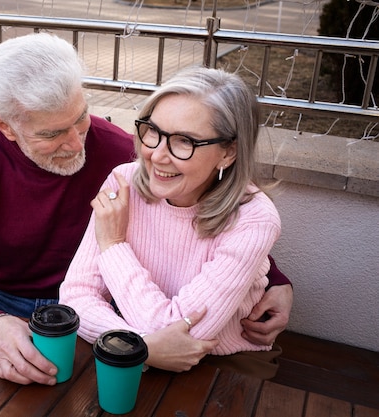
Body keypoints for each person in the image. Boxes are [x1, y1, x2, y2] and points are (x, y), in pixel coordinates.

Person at [0, 33, 293, 386]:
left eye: (80, 118)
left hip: (108, 307)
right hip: (4, 299)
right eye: (51, 133)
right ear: (5, 126)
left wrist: (272, 276)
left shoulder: (125, 156)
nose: (76, 142)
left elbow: (209, 216)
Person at [59, 66, 285, 378]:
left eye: (184, 141)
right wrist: (140, 347)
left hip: (224, 362)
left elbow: (185, 335)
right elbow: (76, 296)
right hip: (130, 344)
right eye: (153, 131)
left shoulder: (253, 219)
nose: (156, 155)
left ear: (228, 153)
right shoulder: (122, 182)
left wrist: (113, 246)